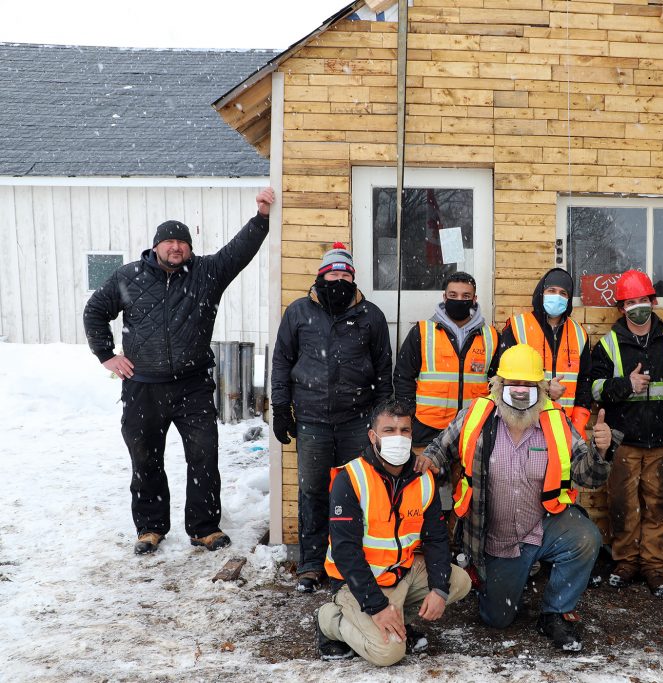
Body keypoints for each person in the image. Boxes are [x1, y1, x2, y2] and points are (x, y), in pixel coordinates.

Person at [83, 187, 275, 556]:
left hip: (193, 386)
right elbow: (94, 312)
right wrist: (106, 355)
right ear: (156, 246)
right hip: (143, 387)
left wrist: (262, 218)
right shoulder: (128, 277)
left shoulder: (206, 274)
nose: (176, 247)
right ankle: (150, 527)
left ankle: (204, 527)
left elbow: (239, 252)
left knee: (204, 455)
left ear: (189, 247)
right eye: (168, 241)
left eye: (182, 242)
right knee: (145, 458)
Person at [417, 344, 618, 651]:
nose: (521, 390)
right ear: (499, 385)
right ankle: (494, 576)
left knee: (586, 537)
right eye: (513, 383)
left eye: (529, 384)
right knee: (496, 618)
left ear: (541, 388)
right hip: (496, 538)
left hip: (543, 526)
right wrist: (428, 461)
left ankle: (555, 612)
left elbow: (586, 476)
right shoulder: (476, 415)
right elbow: (440, 448)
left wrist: (600, 450)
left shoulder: (556, 420)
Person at [271, 241, 393, 593]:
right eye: (332, 273)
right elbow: (281, 363)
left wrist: (380, 421)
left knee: (356, 492)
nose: (338, 279)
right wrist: (281, 408)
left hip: (357, 422)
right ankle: (311, 564)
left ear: (352, 279)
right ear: (321, 276)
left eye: (344, 274)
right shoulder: (298, 313)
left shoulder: (371, 315)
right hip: (312, 421)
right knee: (312, 492)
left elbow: (383, 371)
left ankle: (350, 560)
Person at [314, 399, 472, 665]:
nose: (398, 437)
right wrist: (376, 607)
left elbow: (435, 538)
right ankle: (330, 620)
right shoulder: (351, 478)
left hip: (401, 573)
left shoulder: (423, 478)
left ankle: (396, 618)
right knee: (389, 653)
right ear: (373, 436)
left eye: (404, 430)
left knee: (458, 582)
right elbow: (345, 552)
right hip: (358, 583)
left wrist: (439, 590)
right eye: (389, 430)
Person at [590, 270, 663, 598]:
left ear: (653, 301)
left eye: (642, 300)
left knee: (661, 504)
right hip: (623, 441)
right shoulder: (607, 344)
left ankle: (655, 565)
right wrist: (626, 386)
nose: (637, 307)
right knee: (622, 504)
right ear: (621, 308)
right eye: (630, 302)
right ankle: (626, 561)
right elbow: (596, 388)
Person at [393, 271, 499, 452]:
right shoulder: (422, 332)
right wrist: (410, 414)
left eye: (465, 296)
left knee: (467, 480)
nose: (459, 300)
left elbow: (498, 381)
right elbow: (403, 376)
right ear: (444, 297)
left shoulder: (491, 336)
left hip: (472, 426)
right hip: (427, 428)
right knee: (426, 479)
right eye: (453, 295)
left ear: (474, 299)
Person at [496, 268, 593, 437]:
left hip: (564, 428)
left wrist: (577, 428)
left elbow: (585, 385)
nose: (557, 296)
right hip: (523, 426)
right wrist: (545, 390)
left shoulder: (580, 334)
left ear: (569, 299)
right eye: (551, 291)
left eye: (563, 293)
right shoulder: (517, 327)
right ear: (541, 292)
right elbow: (504, 379)